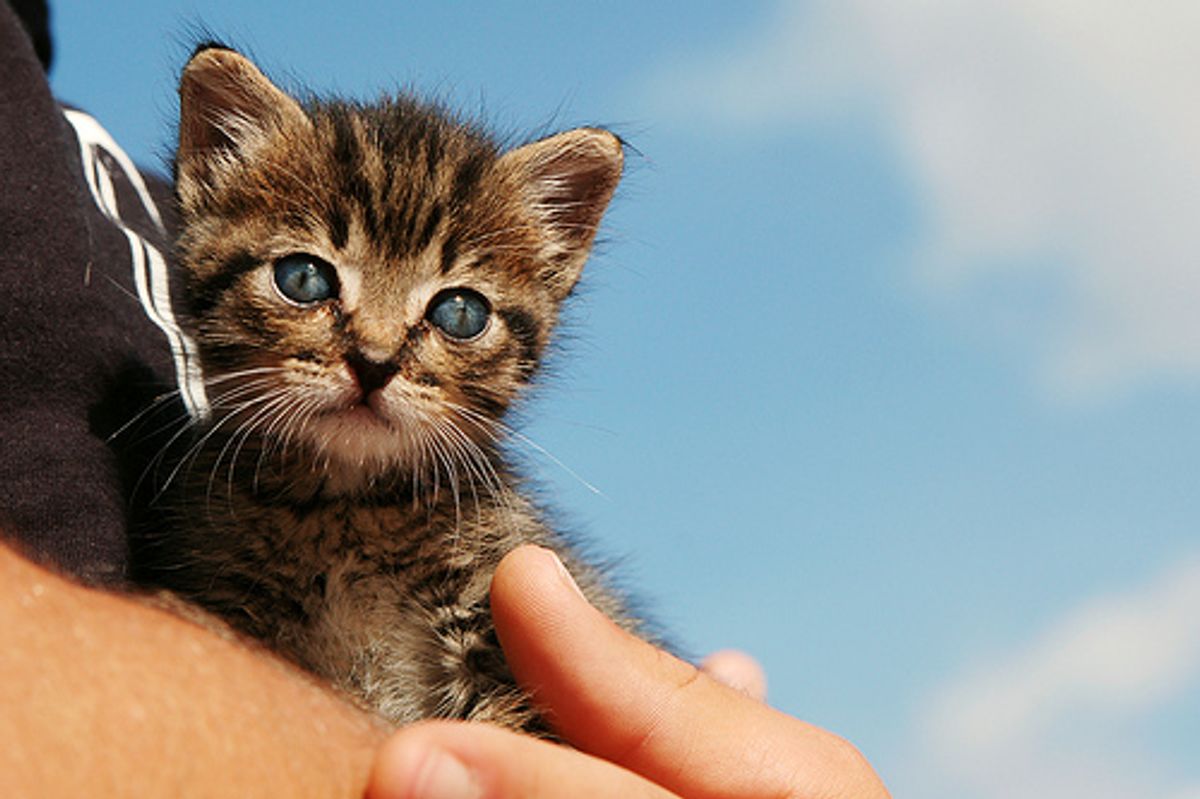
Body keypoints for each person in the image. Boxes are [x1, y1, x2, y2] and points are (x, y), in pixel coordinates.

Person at [0, 3, 889, 796]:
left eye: (455, 313)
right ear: (211, 169)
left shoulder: (480, 535)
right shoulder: (198, 508)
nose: (379, 350)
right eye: (309, 278)